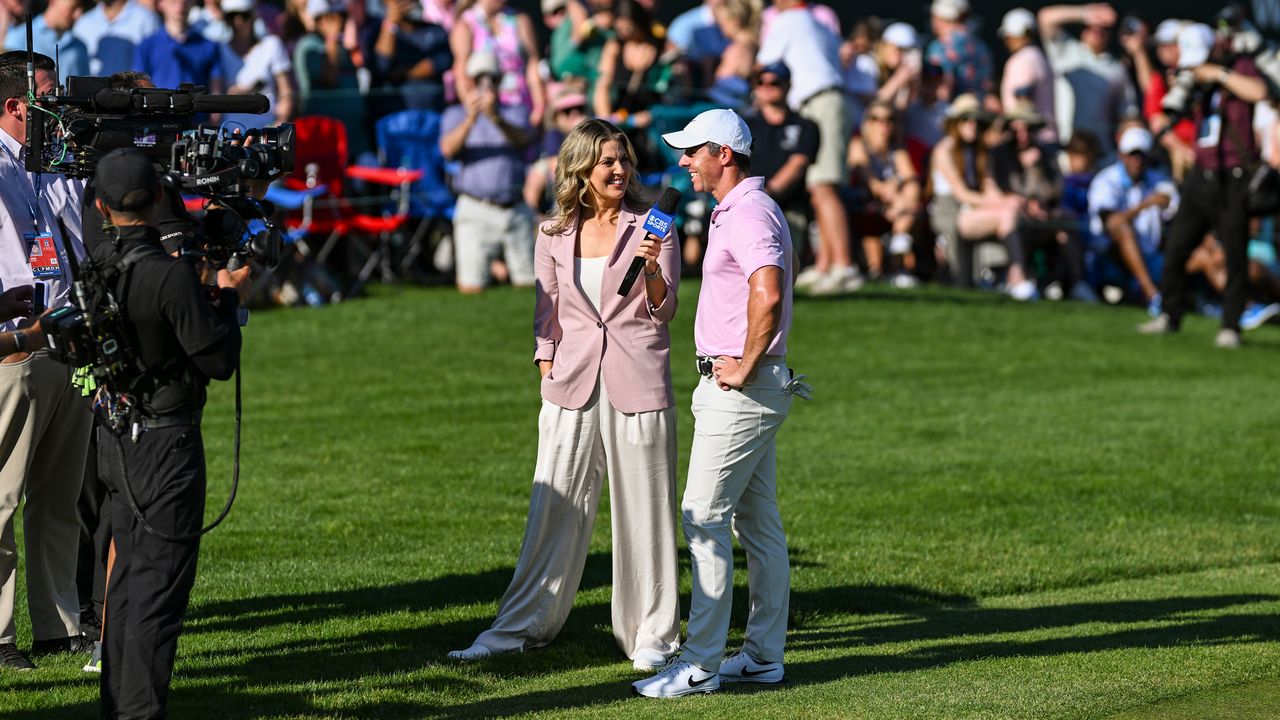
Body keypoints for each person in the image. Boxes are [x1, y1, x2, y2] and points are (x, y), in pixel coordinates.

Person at [447, 119, 682, 670]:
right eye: (607, 162)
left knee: (645, 514)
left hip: (638, 381)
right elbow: (545, 310)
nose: (619, 170)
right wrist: (546, 361)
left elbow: (665, 308)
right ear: (580, 170)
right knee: (553, 507)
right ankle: (518, 627)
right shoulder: (552, 232)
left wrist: (651, 266)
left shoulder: (655, 226)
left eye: (623, 159)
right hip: (569, 383)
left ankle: (651, 636)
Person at [634, 109, 809, 698]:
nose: (682, 162)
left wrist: (744, 363)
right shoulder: (735, 210)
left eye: (692, 152)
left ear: (723, 155)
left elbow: (768, 289)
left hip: (742, 387)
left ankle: (700, 663)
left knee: (703, 516)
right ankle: (762, 656)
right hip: (746, 385)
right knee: (757, 525)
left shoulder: (749, 211)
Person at [88, 147, 248, 718]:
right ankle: (138, 712)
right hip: (165, 441)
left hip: (117, 438)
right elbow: (217, 359)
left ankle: (119, 706)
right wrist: (228, 297)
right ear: (159, 199)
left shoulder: (100, 266)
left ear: (102, 208)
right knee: (156, 593)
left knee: (129, 584)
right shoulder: (168, 275)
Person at [0, 51, 94, 672]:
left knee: (60, 498)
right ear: (13, 106)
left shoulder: (53, 163)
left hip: (69, 340)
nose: (58, 110)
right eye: (46, 100)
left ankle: (58, 625)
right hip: (14, 348)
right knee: (0, 499)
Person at [1140, 23, 1269, 347]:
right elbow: (1171, 108)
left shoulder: (1238, 66)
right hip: (1202, 171)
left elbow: (1260, 92)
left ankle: (1230, 326)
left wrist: (1218, 75)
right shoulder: (1191, 73)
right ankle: (1170, 314)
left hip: (1234, 175)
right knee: (1177, 246)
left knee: (1235, 253)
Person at [757, 0, 856, 295]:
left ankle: (844, 267)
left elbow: (764, 62)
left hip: (821, 102)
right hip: (824, 102)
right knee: (818, 187)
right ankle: (825, 266)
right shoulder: (817, 23)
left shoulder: (789, 20)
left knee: (824, 187)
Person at [440, 51, 536, 293]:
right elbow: (447, 150)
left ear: (499, 81)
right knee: (471, 288)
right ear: (468, 81)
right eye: (479, 79)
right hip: (475, 210)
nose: (485, 85)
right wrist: (471, 119)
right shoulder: (454, 114)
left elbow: (524, 140)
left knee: (529, 287)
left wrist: (496, 118)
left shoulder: (514, 111)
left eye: (491, 78)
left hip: (515, 209)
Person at [928, 93, 1034, 297]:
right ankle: (1017, 276)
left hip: (972, 210)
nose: (972, 125)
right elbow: (962, 194)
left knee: (1010, 212)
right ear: (956, 123)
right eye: (967, 120)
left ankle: (1013, 276)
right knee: (1007, 214)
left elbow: (989, 187)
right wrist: (1002, 203)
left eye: (976, 121)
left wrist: (1009, 201)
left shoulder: (979, 152)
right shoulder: (944, 150)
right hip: (950, 213)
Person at [1087, 126, 1177, 312]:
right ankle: (1152, 295)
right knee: (1123, 228)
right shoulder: (1106, 180)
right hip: (1109, 258)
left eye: (1142, 155)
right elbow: (1112, 222)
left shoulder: (1159, 180)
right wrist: (1144, 205)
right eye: (1133, 155)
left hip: (1153, 253)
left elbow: (1177, 214)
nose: (1137, 161)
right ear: (1121, 155)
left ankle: (1234, 305)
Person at [1037, 3, 1136, 157]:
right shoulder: (1066, 51)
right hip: (1065, 150)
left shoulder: (1117, 70)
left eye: (1103, 29)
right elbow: (1045, 18)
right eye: (1092, 27)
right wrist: (1085, 13)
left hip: (1100, 153)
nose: (1097, 32)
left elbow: (1128, 113)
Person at [742, 62, 817, 261]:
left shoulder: (805, 125)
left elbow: (798, 164)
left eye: (774, 82)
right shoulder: (744, 125)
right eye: (760, 81)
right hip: (747, 206)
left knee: (785, 268)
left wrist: (767, 194)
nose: (766, 86)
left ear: (788, 85)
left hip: (788, 208)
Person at [847, 99, 921, 283]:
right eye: (876, 119)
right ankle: (898, 268)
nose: (884, 124)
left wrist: (898, 198)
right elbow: (872, 184)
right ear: (867, 123)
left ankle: (895, 267)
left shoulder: (897, 150)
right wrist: (897, 194)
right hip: (863, 202)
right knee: (907, 211)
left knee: (911, 192)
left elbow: (911, 178)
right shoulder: (858, 145)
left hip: (893, 207)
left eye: (889, 119)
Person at [294, 0, 369, 160]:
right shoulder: (307, 45)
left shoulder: (347, 44)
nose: (339, 21)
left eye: (341, 16)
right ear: (319, 20)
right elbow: (330, 78)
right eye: (331, 17)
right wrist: (332, 39)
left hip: (355, 136)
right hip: (325, 139)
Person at [451, 0, 546, 127]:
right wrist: (471, 106)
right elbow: (461, 70)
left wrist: (539, 106)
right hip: (485, 105)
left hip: (521, 102)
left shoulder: (520, 19)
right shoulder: (466, 23)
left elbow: (532, 63)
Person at [364, 0, 453, 115]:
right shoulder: (375, 32)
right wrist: (391, 24)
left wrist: (404, 73)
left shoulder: (436, 30)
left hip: (432, 117)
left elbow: (441, 62)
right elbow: (382, 65)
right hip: (390, 119)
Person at [219, 0, 295, 129]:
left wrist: (280, 122)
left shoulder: (272, 45)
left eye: (244, 15)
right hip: (229, 131)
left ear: (253, 17)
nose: (238, 22)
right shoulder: (218, 50)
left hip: (267, 130)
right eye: (231, 16)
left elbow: (286, 91)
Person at [998, 8, 1057, 147]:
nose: (1007, 41)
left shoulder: (1022, 60)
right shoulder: (1040, 57)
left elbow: (1023, 105)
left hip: (1029, 141)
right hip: (1044, 137)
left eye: (1008, 36)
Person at [134, 0, 223, 90]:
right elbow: (140, 86)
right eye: (173, 2)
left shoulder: (209, 46)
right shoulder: (146, 45)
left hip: (196, 103)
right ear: (161, 4)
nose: (180, 8)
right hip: (159, 103)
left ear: (191, 3)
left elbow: (216, 89)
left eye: (184, 2)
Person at [3, 0, 89, 82]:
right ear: (53, 1)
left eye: (81, 8)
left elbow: (84, 87)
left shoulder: (80, 46)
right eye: (73, 7)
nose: (78, 14)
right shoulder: (17, 37)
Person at [925, 0, 994, 101]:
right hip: (979, 111)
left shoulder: (940, 47)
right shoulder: (981, 46)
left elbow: (941, 90)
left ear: (939, 18)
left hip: (952, 112)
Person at [73, 0, 159, 76]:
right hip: (92, 92)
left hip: (132, 92)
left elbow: (154, 65)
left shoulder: (146, 19)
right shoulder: (83, 23)